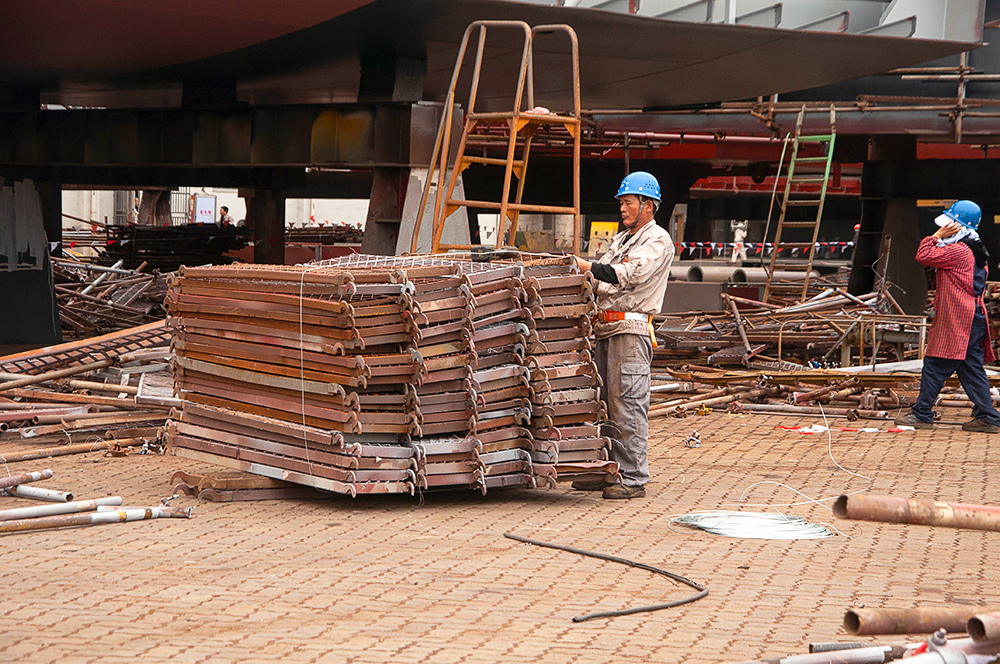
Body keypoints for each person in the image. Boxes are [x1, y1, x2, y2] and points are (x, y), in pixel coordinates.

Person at [572, 171, 675, 499]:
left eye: (628, 202)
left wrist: (588, 268)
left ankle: (631, 478)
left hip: (630, 331)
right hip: (605, 328)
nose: (622, 208)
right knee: (602, 403)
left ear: (648, 205)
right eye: (621, 202)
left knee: (627, 404)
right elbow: (603, 280)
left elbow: (631, 273)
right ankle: (606, 469)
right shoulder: (622, 241)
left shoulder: (657, 240)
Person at [894, 200, 1000, 433]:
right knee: (971, 369)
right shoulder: (976, 249)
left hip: (959, 319)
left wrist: (936, 235)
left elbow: (924, 254)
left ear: (956, 226)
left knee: (935, 364)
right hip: (972, 317)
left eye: (950, 224)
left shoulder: (960, 251)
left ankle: (921, 414)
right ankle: (989, 417)